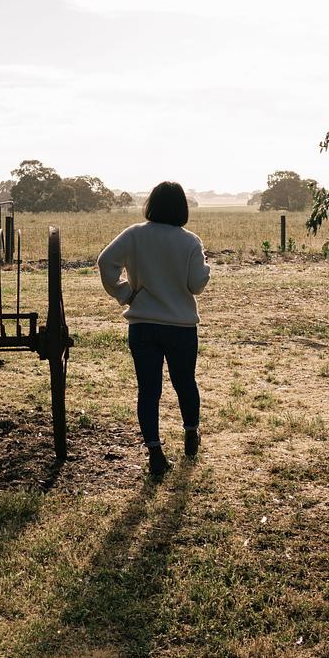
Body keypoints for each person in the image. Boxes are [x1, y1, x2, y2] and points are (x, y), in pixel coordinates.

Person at [98, 181, 211, 481]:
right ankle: (191, 433)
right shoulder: (190, 241)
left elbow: (105, 262)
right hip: (181, 327)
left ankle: (155, 453)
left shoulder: (134, 234)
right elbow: (196, 285)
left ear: (151, 204)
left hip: (143, 325)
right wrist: (206, 268)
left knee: (148, 391)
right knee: (185, 383)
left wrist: (124, 292)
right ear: (182, 208)